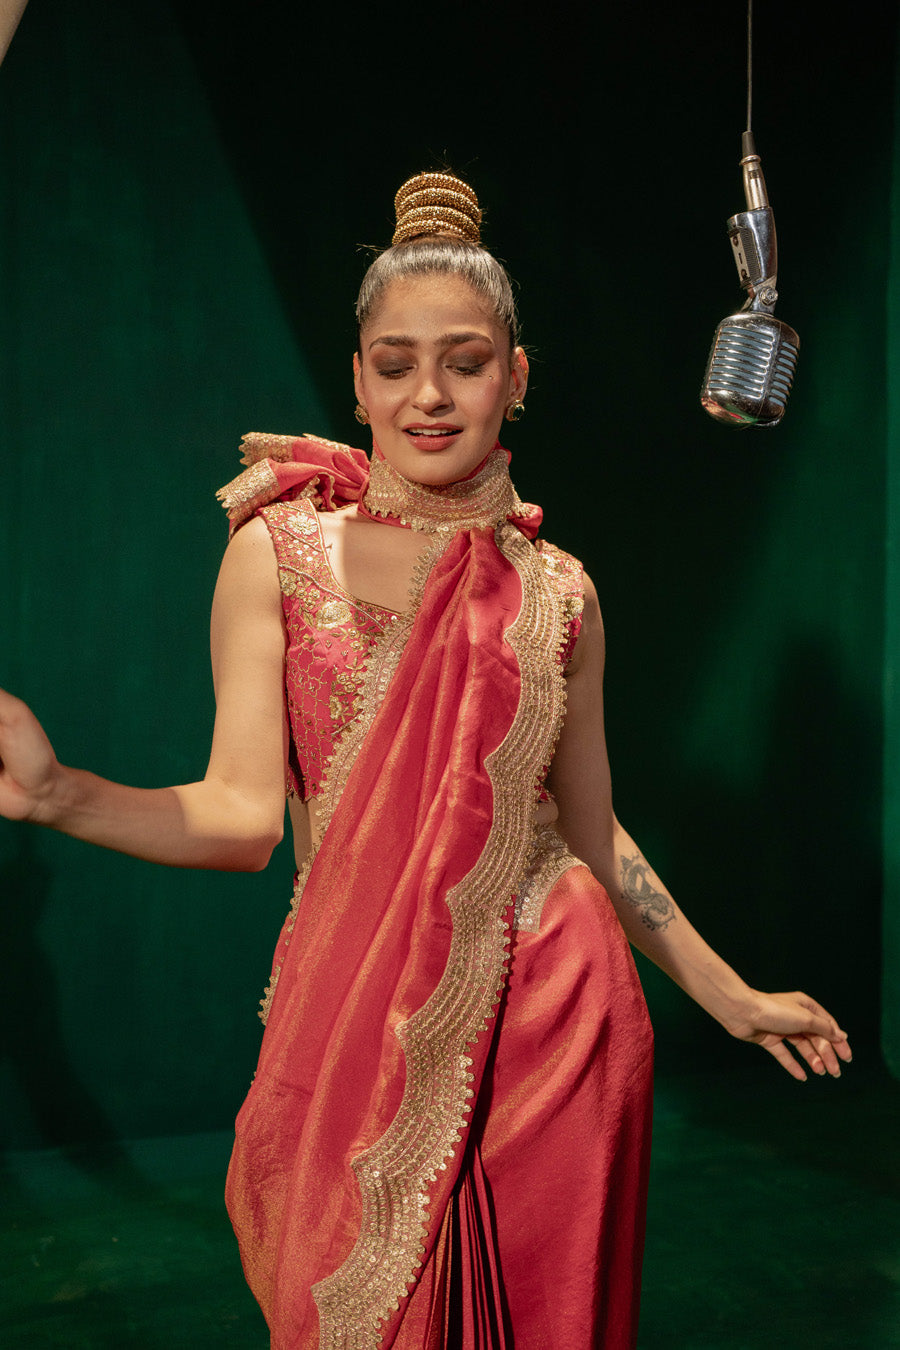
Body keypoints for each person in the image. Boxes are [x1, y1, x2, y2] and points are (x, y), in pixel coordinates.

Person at [0, 171, 851, 1349]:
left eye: (466, 361)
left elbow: (592, 832)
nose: (430, 396)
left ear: (517, 377)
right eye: (395, 365)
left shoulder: (558, 593)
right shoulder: (279, 552)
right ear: (357, 381)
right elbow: (242, 819)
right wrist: (55, 795)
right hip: (354, 1019)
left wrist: (729, 995)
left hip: (555, 1020)